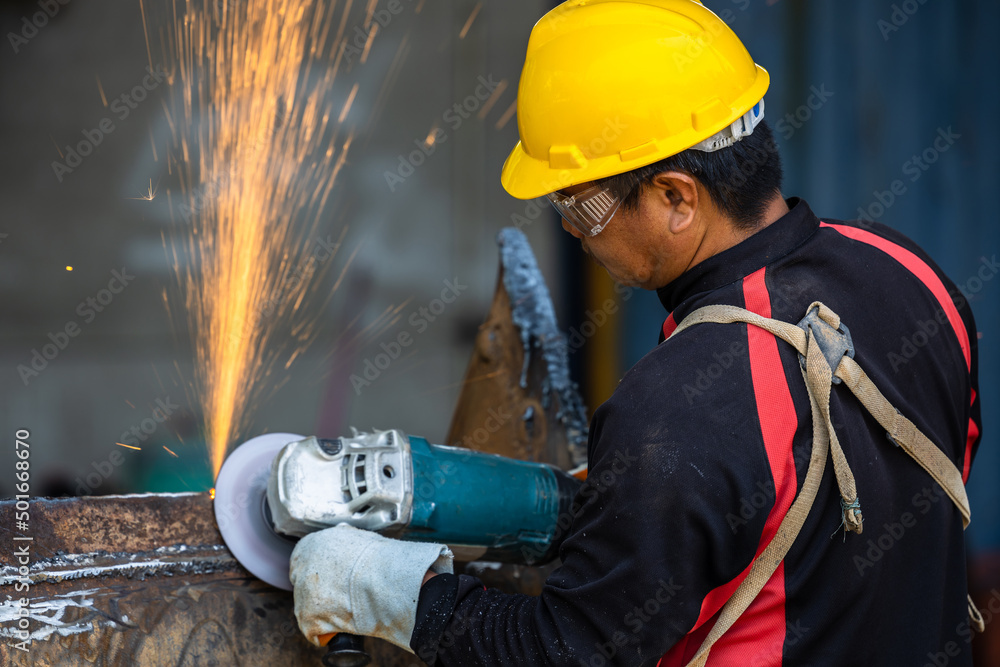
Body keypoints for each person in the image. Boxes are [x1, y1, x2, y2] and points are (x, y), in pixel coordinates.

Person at [289, 1, 982, 665]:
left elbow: (566, 649)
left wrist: (390, 590)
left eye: (581, 203)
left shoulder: (677, 406)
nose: (567, 227)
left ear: (678, 197)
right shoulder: (916, 277)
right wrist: (614, 507)